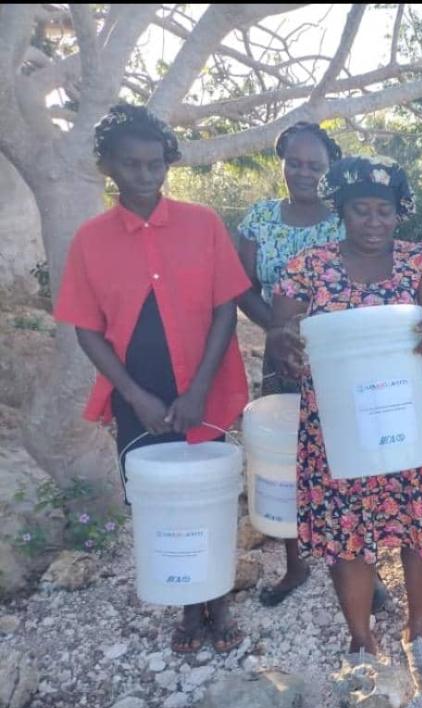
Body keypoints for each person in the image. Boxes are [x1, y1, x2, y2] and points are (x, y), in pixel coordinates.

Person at [54, 104, 249, 655]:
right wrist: (134, 394)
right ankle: (188, 599)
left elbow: (224, 311)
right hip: (136, 390)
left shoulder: (202, 223)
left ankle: (217, 600)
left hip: (201, 383)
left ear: (168, 164)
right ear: (109, 166)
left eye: (155, 164)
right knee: (159, 500)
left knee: (208, 495)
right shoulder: (91, 240)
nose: (145, 175)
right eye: (132, 165)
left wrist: (197, 391)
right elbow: (86, 329)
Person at [267, 156, 422, 692]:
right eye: (361, 211)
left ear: (399, 213)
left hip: (413, 424)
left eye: (384, 211)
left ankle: (417, 631)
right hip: (338, 429)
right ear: (342, 211)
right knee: (347, 536)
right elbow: (282, 325)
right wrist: (283, 339)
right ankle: (360, 639)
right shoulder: (308, 266)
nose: (372, 221)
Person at [236, 122, 391, 609]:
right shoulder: (259, 218)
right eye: (295, 163)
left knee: (354, 459)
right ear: (282, 162)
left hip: (342, 361)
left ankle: (368, 566)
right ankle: (296, 563)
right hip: (283, 358)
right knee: (287, 458)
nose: (303, 173)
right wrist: (279, 331)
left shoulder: (343, 220)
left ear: (329, 171)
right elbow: (241, 285)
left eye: (315, 166)